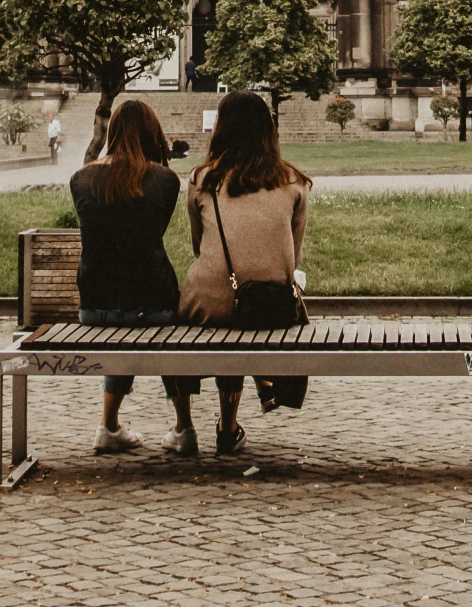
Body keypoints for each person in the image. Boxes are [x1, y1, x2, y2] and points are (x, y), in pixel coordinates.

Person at [174, 91, 312, 457]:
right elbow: (292, 258)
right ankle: (236, 418)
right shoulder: (294, 183)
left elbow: (198, 245)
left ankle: (206, 424)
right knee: (243, 317)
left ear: (221, 130)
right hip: (270, 304)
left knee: (221, 313)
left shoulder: (202, 180)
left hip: (210, 301)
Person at [68, 100, 192, 457]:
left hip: (96, 304)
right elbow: (153, 232)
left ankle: (109, 424)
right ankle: (185, 427)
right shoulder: (165, 180)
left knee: (121, 330)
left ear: (112, 132)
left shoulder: (81, 178)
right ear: (153, 133)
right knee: (170, 333)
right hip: (154, 302)